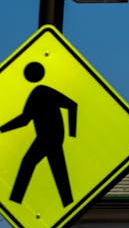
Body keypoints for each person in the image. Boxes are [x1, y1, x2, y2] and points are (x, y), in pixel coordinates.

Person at [2, 61, 78, 205]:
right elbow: (25, 119)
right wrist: (2, 129)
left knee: (29, 163)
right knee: (57, 170)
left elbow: (72, 105)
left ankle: (16, 200)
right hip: (48, 138)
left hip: (49, 138)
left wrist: (72, 134)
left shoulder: (42, 91)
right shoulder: (37, 93)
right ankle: (68, 203)